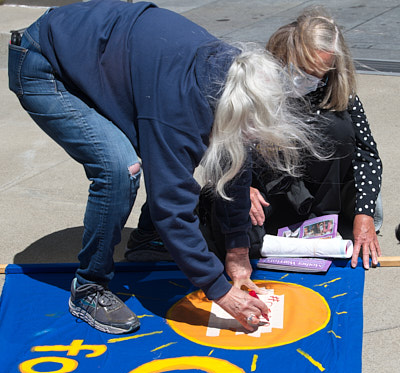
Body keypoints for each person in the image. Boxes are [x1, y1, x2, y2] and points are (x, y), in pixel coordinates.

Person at [8, 0, 322, 334]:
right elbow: (170, 205)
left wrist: (237, 249)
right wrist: (220, 291)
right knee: (120, 168)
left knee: (188, 153)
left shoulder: (235, 75)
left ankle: (147, 239)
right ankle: (89, 287)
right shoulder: (179, 110)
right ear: (231, 107)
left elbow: (234, 166)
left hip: (92, 55)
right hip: (44, 61)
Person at [248, 7, 382, 270]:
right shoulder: (259, 83)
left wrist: (364, 214)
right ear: (287, 54)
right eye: (305, 70)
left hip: (328, 189)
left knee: (338, 128)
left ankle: (326, 217)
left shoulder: (338, 89)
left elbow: (367, 155)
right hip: (279, 186)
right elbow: (231, 143)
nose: (313, 79)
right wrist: (244, 186)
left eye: (323, 73)